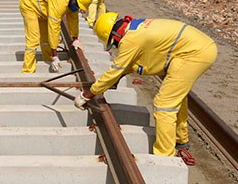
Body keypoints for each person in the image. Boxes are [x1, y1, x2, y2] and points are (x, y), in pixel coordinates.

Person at [75, 13, 217, 165]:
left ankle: (165, 158)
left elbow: (118, 68)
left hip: (194, 53)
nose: (116, 46)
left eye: (114, 43)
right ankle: (180, 139)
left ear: (115, 35)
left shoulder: (130, 39)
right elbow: (133, 63)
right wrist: (113, 81)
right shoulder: (135, 29)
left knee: (164, 104)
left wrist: (88, 93)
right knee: (175, 96)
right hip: (197, 47)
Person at [19, 0, 93, 74]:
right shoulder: (60, 1)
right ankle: (27, 70)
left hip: (43, 9)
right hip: (29, 6)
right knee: (33, 39)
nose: (77, 8)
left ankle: (47, 59)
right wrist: (55, 55)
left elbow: (74, 20)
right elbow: (54, 27)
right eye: (77, 6)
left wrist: (75, 39)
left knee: (45, 38)